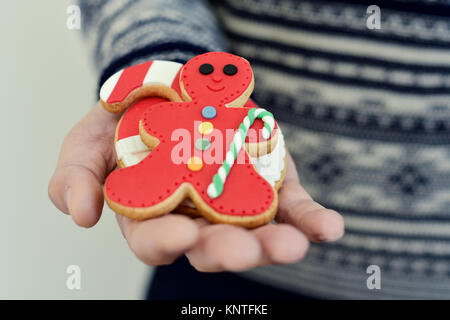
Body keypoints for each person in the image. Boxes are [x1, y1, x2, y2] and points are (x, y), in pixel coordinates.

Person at [49, 0, 450, 299]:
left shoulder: (248, 128)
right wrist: (170, 66)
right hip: (210, 266)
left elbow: (255, 135)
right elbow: (156, 122)